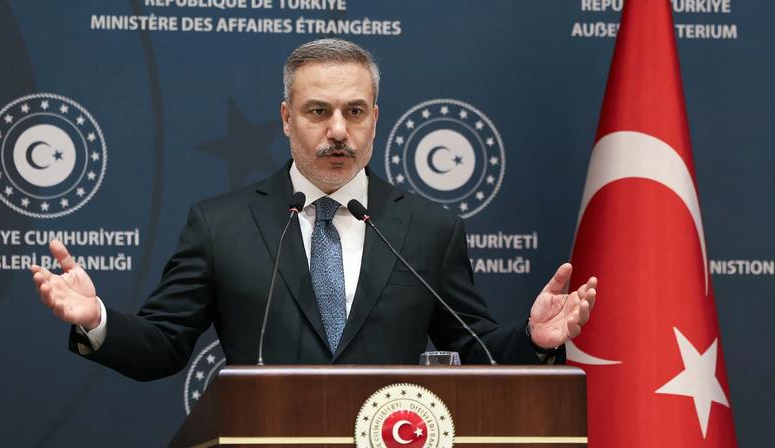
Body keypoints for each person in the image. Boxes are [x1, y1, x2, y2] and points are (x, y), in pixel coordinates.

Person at [30, 39, 597, 381]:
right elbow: (163, 345)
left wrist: (533, 338)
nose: (337, 132)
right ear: (285, 118)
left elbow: (476, 351)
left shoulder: (429, 229)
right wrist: (97, 319)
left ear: (376, 117)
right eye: (317, 111)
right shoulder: (220, 225)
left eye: (354, 111)